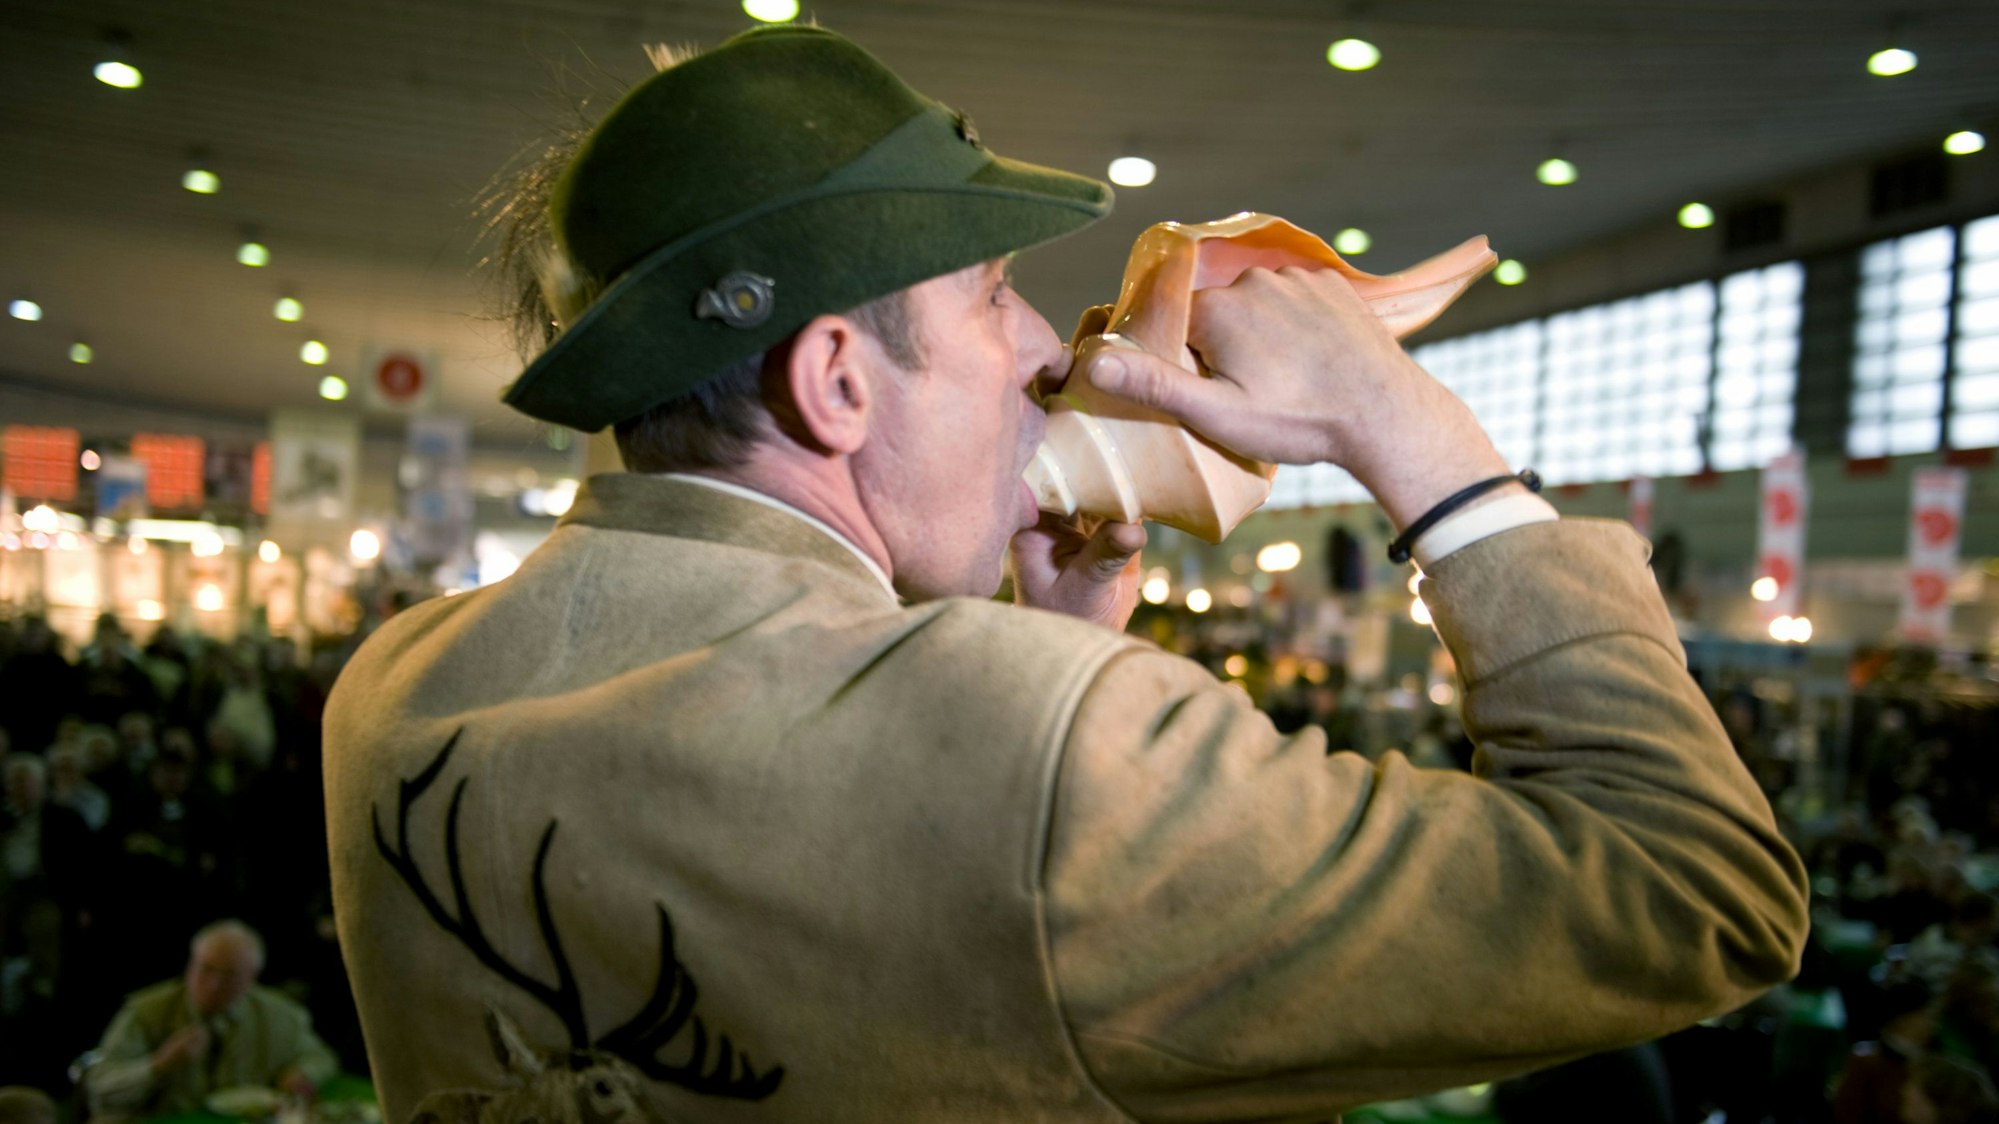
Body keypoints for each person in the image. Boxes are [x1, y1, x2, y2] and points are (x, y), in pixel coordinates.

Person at [324, 24, 1809, 1123]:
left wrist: (1056, 644)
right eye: (987, 297)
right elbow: (1692, 887)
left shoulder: (396, 690)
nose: (1047, 349)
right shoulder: (1026, 747)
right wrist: (1420, 443)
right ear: (835, 381)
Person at [85, 920, 337, 1117]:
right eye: (206, 969)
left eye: (229, 976)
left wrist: (302, 1073)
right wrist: (159, 1065)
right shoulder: (146, 1012)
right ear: (190, 964)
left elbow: (320, 1056)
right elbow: (100, 1085)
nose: (214, 985)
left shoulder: (280, 1015)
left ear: (252, 977)